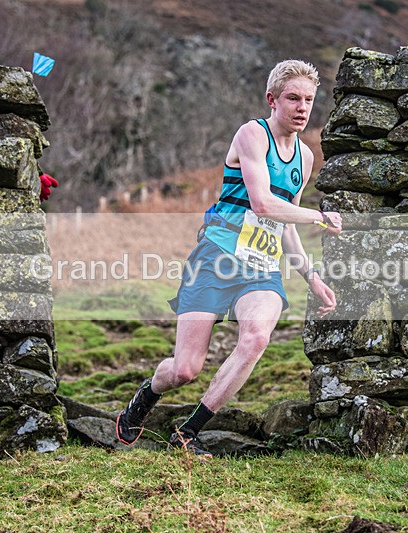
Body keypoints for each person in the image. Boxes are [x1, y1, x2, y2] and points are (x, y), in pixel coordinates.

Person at [116, 59, 343, 458]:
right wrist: (319, 216)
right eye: (293, 98)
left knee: (256, 336)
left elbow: (284, 225)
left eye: (309, 99)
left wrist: (312, 277)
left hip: (261, 266)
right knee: (185, 369)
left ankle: (188, 433)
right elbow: (263, 204)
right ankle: (145, 398)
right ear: (272, 99)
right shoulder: (252, 135)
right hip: (217, 258)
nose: (302, 108)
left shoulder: (305, 158)